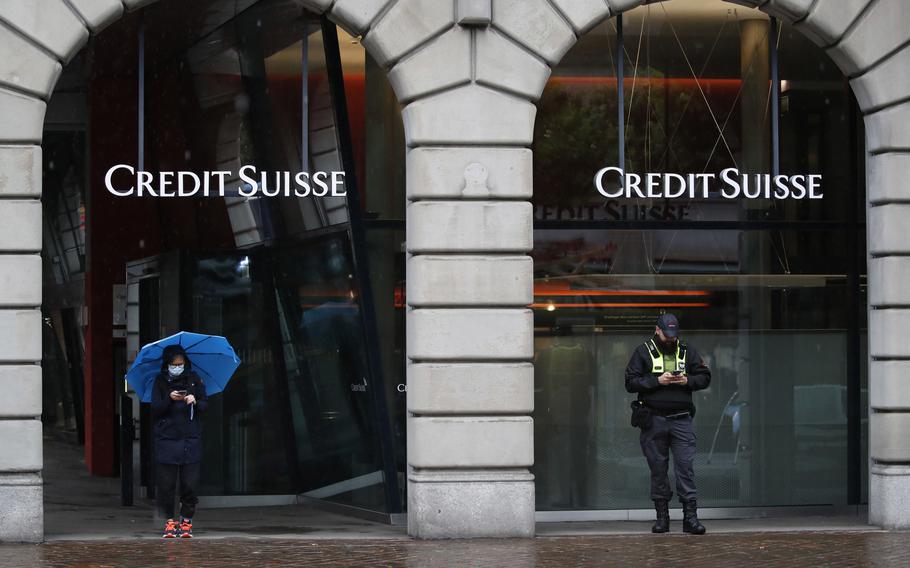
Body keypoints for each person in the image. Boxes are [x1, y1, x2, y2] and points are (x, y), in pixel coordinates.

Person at [624, 313, 711, 535]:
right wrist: (657, 381)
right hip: (653, 419)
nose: (670, 339)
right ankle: (662, 517)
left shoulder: (686, 350)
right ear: (657, 330)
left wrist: (687, 380)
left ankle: (690, 518)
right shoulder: (643, 351)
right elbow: (630, 382)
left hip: (681, 418)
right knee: (658, 469)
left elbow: (705, 377)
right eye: (666, 334)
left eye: (674, 335)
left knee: (685, 468)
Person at [151, 344, 207, 538]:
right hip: (167, 441)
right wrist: (169, 398)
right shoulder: (160, 381)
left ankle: (186, 520)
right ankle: (169, 521)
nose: (177, 367)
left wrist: (195, 400)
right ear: (167, 364)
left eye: (180, 364)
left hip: (190, 441)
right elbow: (155, 408)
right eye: (174, 364)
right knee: (166, 485)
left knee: (189, 484)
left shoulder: (194, 379)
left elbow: (205, 404)